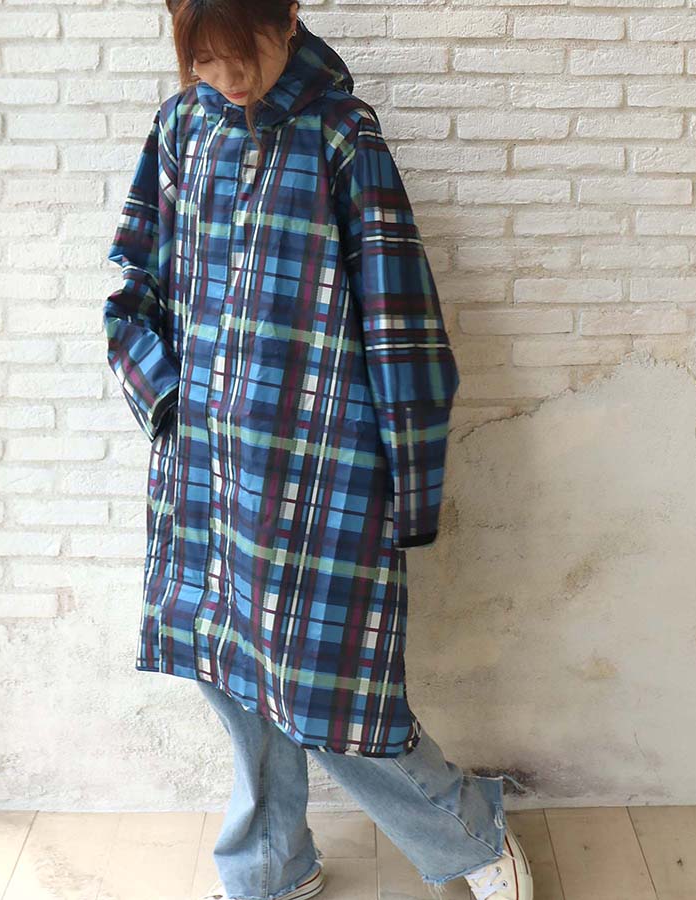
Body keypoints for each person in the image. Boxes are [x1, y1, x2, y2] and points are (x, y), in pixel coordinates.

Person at [103, 2, 534, 899]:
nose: (228, 79)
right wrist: (168, 399)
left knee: (333, 688)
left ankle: (472, 836)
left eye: (243, 53)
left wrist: (410, 481)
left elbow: (402, 323)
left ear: (288, 16)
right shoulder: (181, 130)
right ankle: (271, 866)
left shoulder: (343, 135)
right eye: (205, 59)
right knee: (231, 674)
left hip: (322, 467)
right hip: (207, 467)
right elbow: (135, 286)